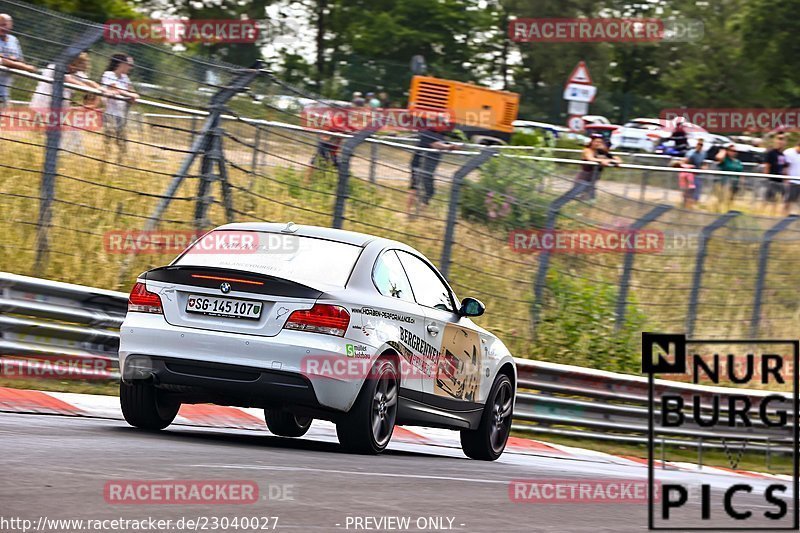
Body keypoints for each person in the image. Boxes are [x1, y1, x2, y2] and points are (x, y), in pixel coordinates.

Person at [406, 125, 457, 217]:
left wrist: (454, 146)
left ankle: (419, 213)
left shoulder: (441, 136)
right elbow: (436, 145)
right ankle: (408, 212)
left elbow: (445, 144)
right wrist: (450, 147)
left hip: (428, 168)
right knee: (415, 188)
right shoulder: (426, 133)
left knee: (429, 191)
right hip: (418, 164)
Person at [101, 53, 138, 164]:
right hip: (110, 115)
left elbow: (132, 92)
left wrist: (130, 95)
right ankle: (103, 166)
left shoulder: (125, 78)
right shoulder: (108, 74)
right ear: (121, 64)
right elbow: (115, 88)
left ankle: (119, 167)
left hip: (121, 116)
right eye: (129, 64)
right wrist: (129, 95)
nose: (130, 68)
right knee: (108, 144)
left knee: (122, 145)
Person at [0, 14, 36, 109]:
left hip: (5, 89)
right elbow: (3, 61)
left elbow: (20, 59)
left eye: (4, 24)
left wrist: (17, 61)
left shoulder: (13, 39)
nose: (1, 27)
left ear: (10, 25)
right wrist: (27, 68)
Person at [577, 134, 621, 200]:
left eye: (600, 142)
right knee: (576, 192)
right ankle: (556, 206)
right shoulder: (587, 150)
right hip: (585, 176)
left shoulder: (601, 151)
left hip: (594, 176)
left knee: (590, 194)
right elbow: (590, 158)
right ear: (591, 142)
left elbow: (615, 158)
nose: (598, 144)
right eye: (596, 142)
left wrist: (616, 161)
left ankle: (590, 203)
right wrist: (603, 160)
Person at [763, 133, 788, 215]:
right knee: (767, 200)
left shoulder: (783, 155)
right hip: (771, 180)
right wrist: (766, 178)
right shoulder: (771, 153)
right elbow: (767, 166)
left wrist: (786, 180)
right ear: (775, 140)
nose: (781, 141)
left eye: (782, 139)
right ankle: (763, 214)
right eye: (779, 139)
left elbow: (784, 168)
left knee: (777, 200)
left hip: (780, 181)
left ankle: (773, 215)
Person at [715, 144, 744, 211]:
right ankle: (719, 211)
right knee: (722, 198)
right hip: (724, 183)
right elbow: (718, 157)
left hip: (735, 184)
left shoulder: (737, 162)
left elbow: (741, 172)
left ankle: (728, 210)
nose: (733, 152)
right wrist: (723, 151)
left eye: (735, 151)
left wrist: (741, 183)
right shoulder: (724, 160)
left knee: (730, 200)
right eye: (731, 150)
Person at [684, 138, 708, 202]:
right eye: (698, 144)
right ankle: (686, 203)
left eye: (701, 145)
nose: (699, 146)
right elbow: (686, 161)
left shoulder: (703, 154)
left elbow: (704, 163)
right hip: (689, 174)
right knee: (689, 190)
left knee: (697, 191)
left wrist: (704, 167)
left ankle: (694, 202)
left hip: (698, 174)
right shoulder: (690, 153)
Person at [782, 138, 800, 215]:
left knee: (796, 201)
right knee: (788, 200)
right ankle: (784, 215)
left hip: (798, 181)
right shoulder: (788, 152)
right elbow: (785, 167)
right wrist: (786, 179)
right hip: (791, 181)